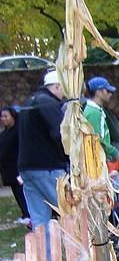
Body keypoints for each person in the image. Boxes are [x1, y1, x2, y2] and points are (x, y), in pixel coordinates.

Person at [17, 70, 67, 235]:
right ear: (58, 85)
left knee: (39, 220)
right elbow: (60, 135)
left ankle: (45, 260)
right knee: (68, 212)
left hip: (27, 168)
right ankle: (80, 257)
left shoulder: (29, 102)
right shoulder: (48, 103)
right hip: (48, 167)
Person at [83, 76, 119, 167]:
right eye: (107, 91)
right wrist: (116, 153)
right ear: (98, 92)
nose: (110, 94)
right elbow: (97, 140)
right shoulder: (93, 113)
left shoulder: (95, 110)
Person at [0, 106, 30, 226]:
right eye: (1, 116)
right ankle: (24, 213)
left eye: (6, 116)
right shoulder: (4, 133)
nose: (3, 119)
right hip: (8, 169)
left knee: (22, 191)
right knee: (16, 192)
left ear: (13, 117)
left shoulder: (19, 131)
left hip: (18, 168)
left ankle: (28, 214)